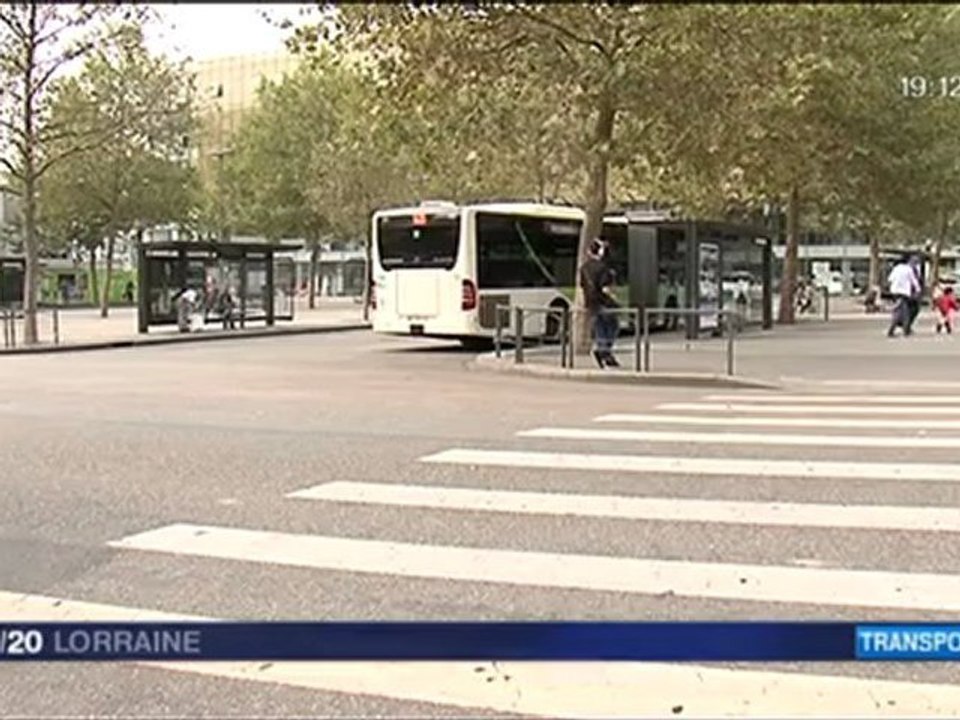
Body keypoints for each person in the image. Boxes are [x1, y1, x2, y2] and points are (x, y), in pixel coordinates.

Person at [579, 238, 620, 368]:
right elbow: (605, 288)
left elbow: (582, 286)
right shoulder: (603, 267)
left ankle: (604, 352)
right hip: (603, 302)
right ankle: (604, 351)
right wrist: (614, 298)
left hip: (591, 303)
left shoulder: (584, 268)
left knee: (599, 327)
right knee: (613, 325)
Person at [887, 256, 921, 337]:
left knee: (900, 310)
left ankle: (903, 328)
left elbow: (890, 279)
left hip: (895, 292)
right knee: (904, 312)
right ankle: (901, 330)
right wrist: (918, 290)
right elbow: (913, 281)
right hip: (904, 293)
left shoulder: (896, 268)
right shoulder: (909, 270)